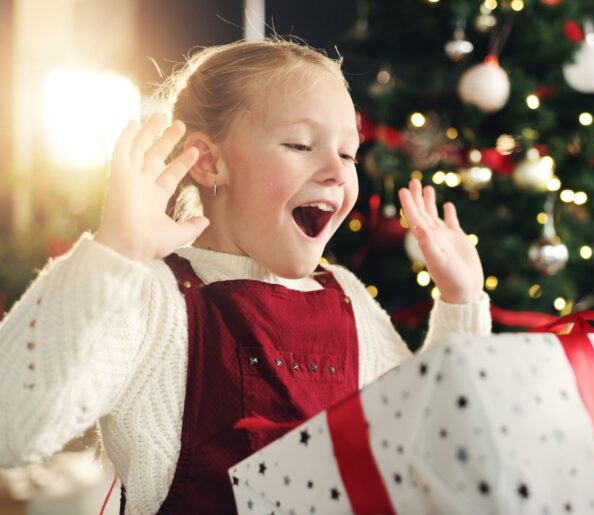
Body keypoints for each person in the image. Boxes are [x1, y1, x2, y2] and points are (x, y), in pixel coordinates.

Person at [0, 39, 491, 514]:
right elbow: (13, 429)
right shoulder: (154, 299)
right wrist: (114, 253)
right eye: (301, 143)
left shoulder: (348, 298)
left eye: (347, 154)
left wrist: (461, 302)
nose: (337, 172)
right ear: (211, 162)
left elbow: (427, 440)